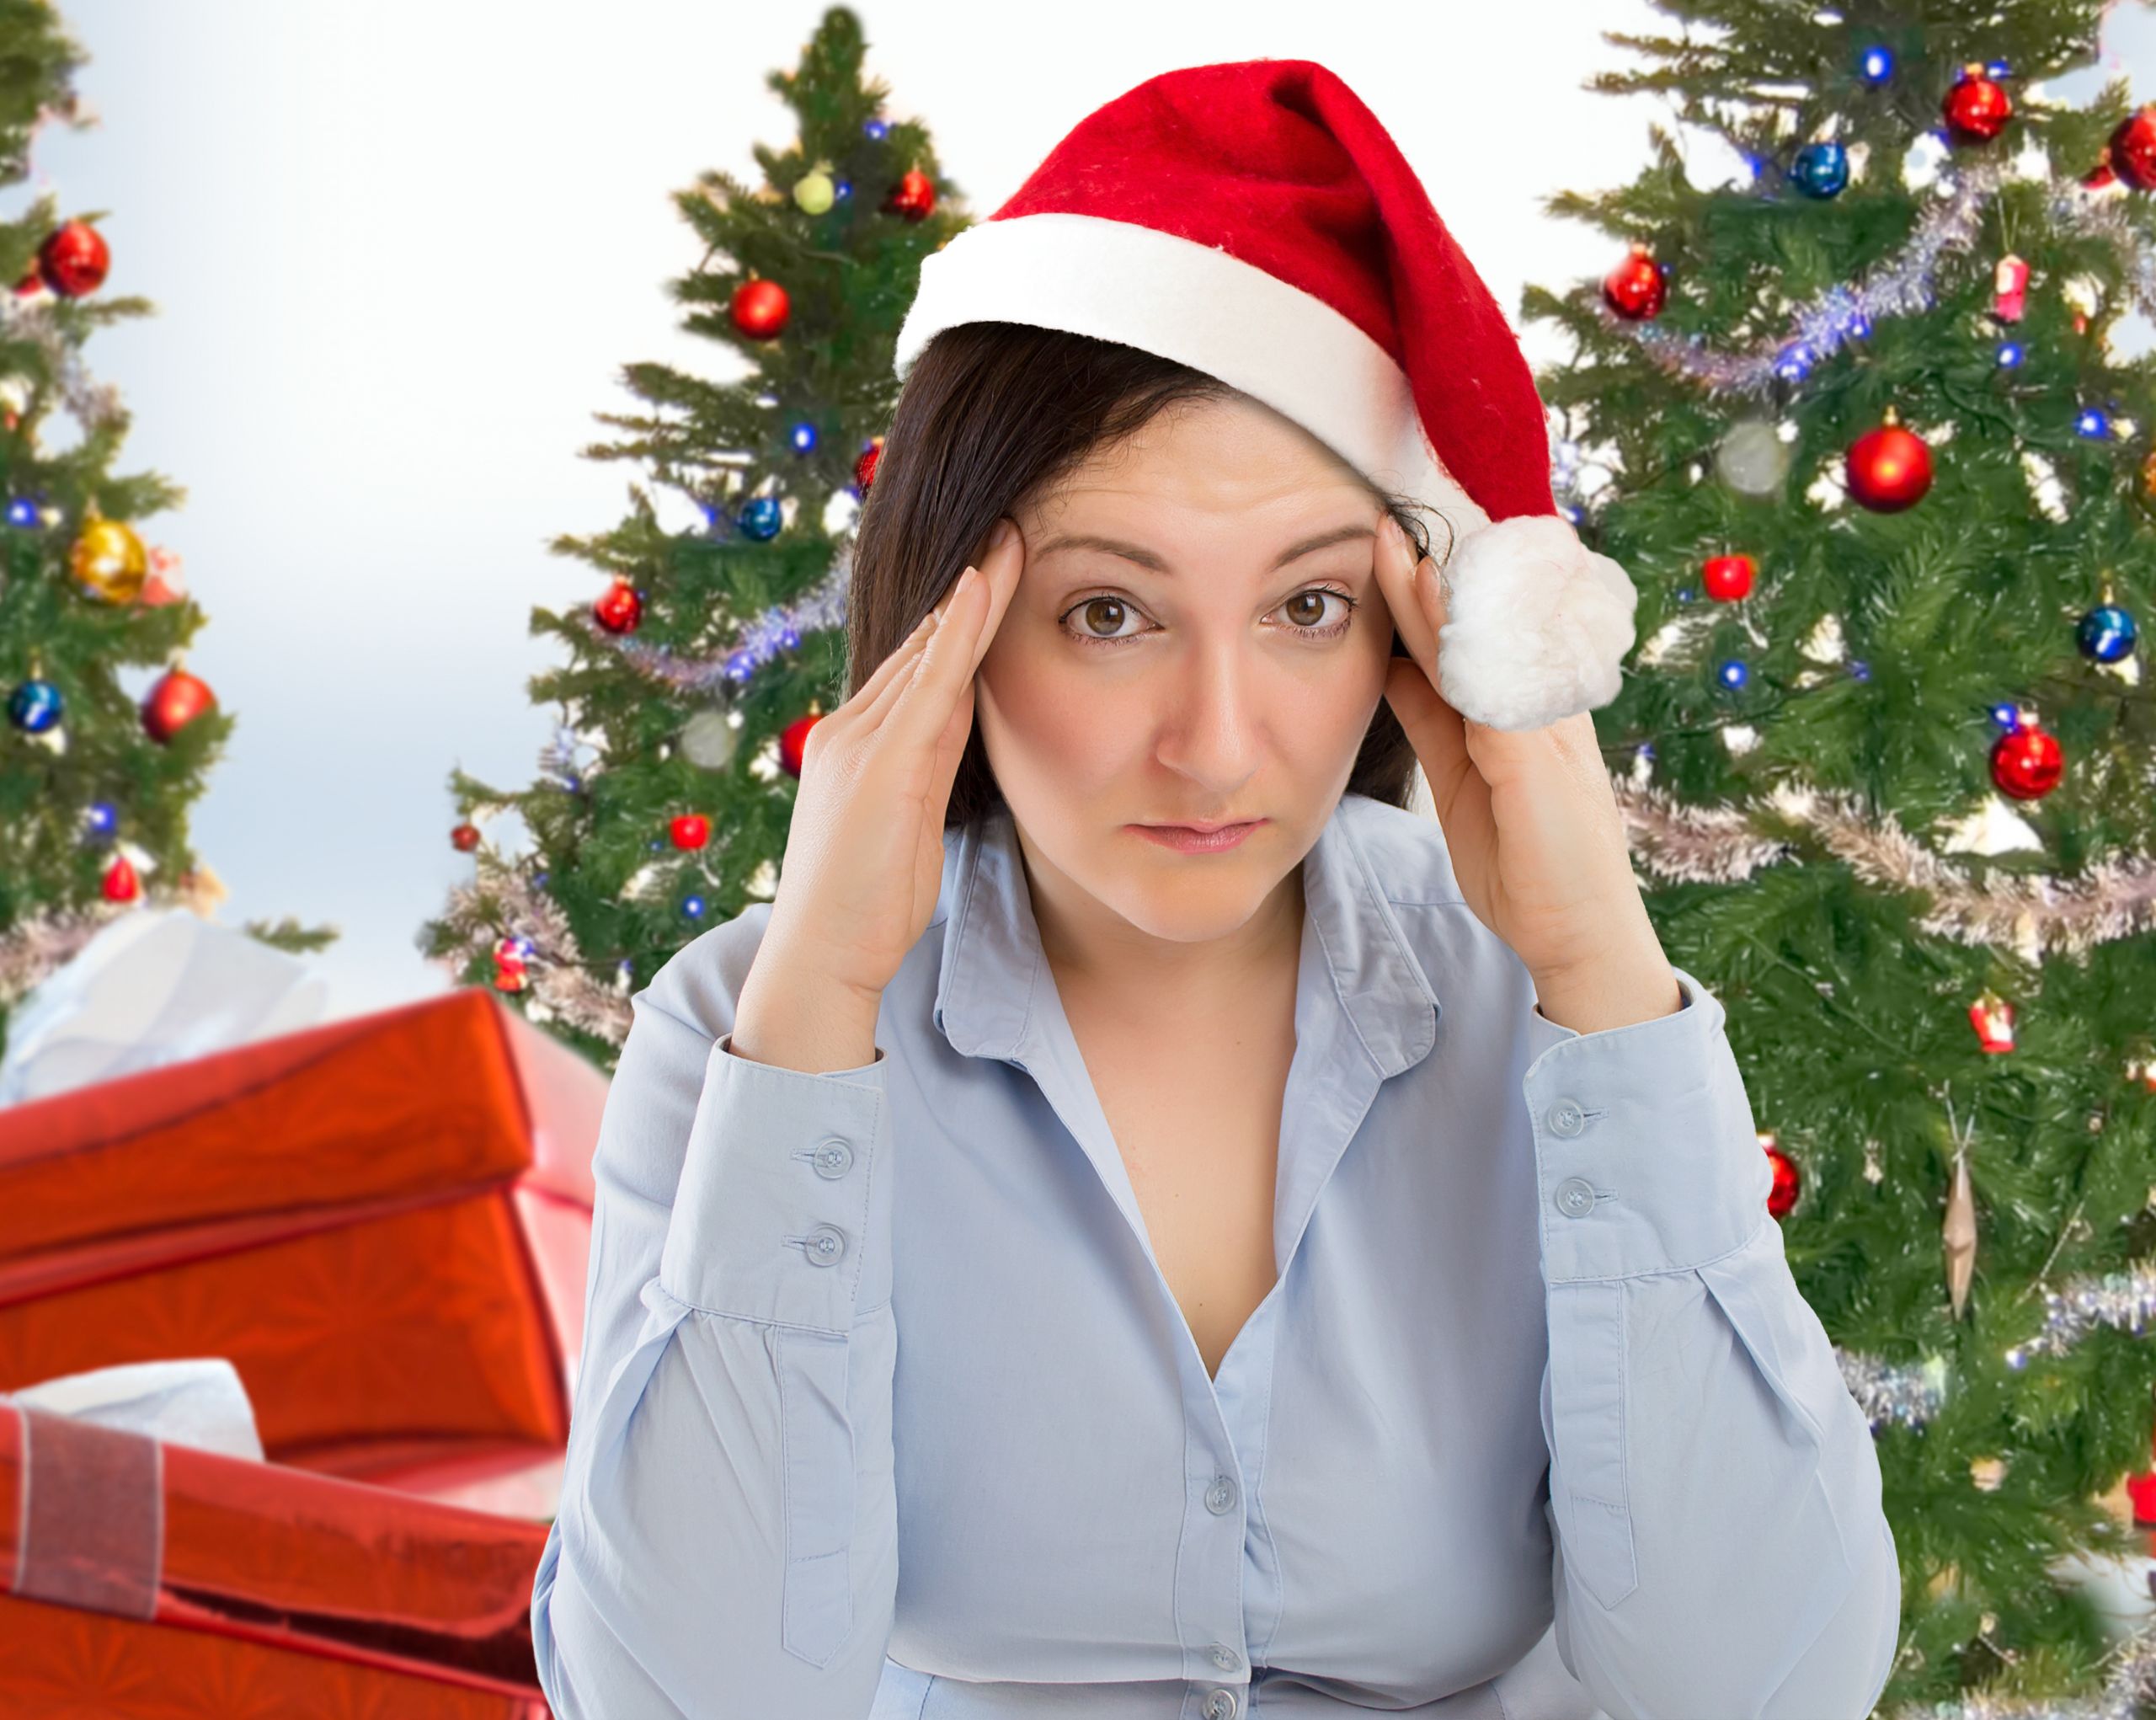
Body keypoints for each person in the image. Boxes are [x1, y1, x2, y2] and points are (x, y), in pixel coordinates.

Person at [529, 57, 1902, 1720]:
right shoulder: (747, 1027)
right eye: (1110, 613)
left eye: (1308, 610)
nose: (1216, 745)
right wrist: (817, 1000)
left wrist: (1600, 968)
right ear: (943, 631)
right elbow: (686, 1700)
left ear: (1419, 628)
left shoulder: (1534, 1011)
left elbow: (1753, 1691)